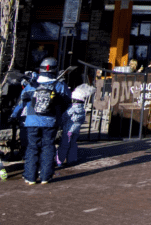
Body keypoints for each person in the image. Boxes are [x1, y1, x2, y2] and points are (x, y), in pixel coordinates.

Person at [14, 57, 70, 185]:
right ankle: (45, 176)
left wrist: (14, 115)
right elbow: (67, 101)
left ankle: (30, 177)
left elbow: (22, 100)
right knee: (48, 147)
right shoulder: (59, 85)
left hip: (32, 120)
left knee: (32, 147)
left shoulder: (32, 84)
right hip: (50, 120)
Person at [57, 83, 93, 167]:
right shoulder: (82, 109)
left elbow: (64, 116)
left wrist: (61, 123)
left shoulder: (72, 108)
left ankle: (59, 161)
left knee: (64, 145)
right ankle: (72, 160)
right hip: (76, 130)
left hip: (68, 129)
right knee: (73, 144)